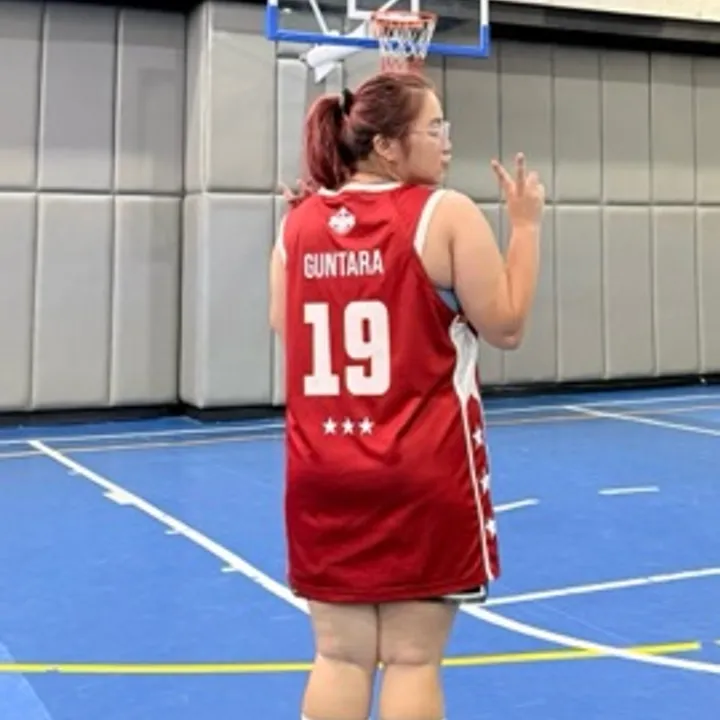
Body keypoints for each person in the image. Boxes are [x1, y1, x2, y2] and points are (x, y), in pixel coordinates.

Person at [268, 71, 544, 720]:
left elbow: (286, 327)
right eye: (434, 128)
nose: (447, 141)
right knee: (413, 661)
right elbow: (505, 325)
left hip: (322, 473)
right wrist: (526, 227)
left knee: (337, 657)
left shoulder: (297, 225)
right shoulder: (444, 213)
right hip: (419, 471)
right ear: (388, 146)